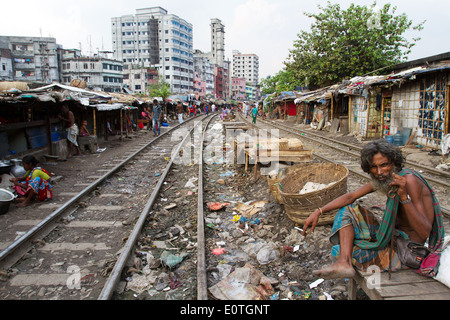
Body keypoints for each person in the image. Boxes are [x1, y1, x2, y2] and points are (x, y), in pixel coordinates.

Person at [302, 139, 445, 279]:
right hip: (393, 239)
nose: (379, 172)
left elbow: (424, 231)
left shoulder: (410, 181)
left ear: (394, 163)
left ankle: (344, 260)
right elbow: (350, 197)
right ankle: (343, 263)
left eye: (384, 165)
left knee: (339, 250)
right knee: (347, 210)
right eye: (374, 167)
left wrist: (404, 197)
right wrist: (319, 211)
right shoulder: (388, 178)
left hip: (408, 252)